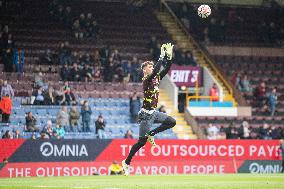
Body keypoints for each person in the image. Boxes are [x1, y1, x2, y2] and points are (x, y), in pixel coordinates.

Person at [122, 43, 176, 176]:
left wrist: (169, 57)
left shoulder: (156, 78)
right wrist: (161, 56)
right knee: (141, 142)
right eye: (149, 66)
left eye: (152, 66)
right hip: (146, 115)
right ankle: (126, 162)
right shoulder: (146, 79)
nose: (152, 67)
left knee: (172, 122)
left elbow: (167, 67)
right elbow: (158, 69)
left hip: (154, 112)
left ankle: (152, 133)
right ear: (145, 70)